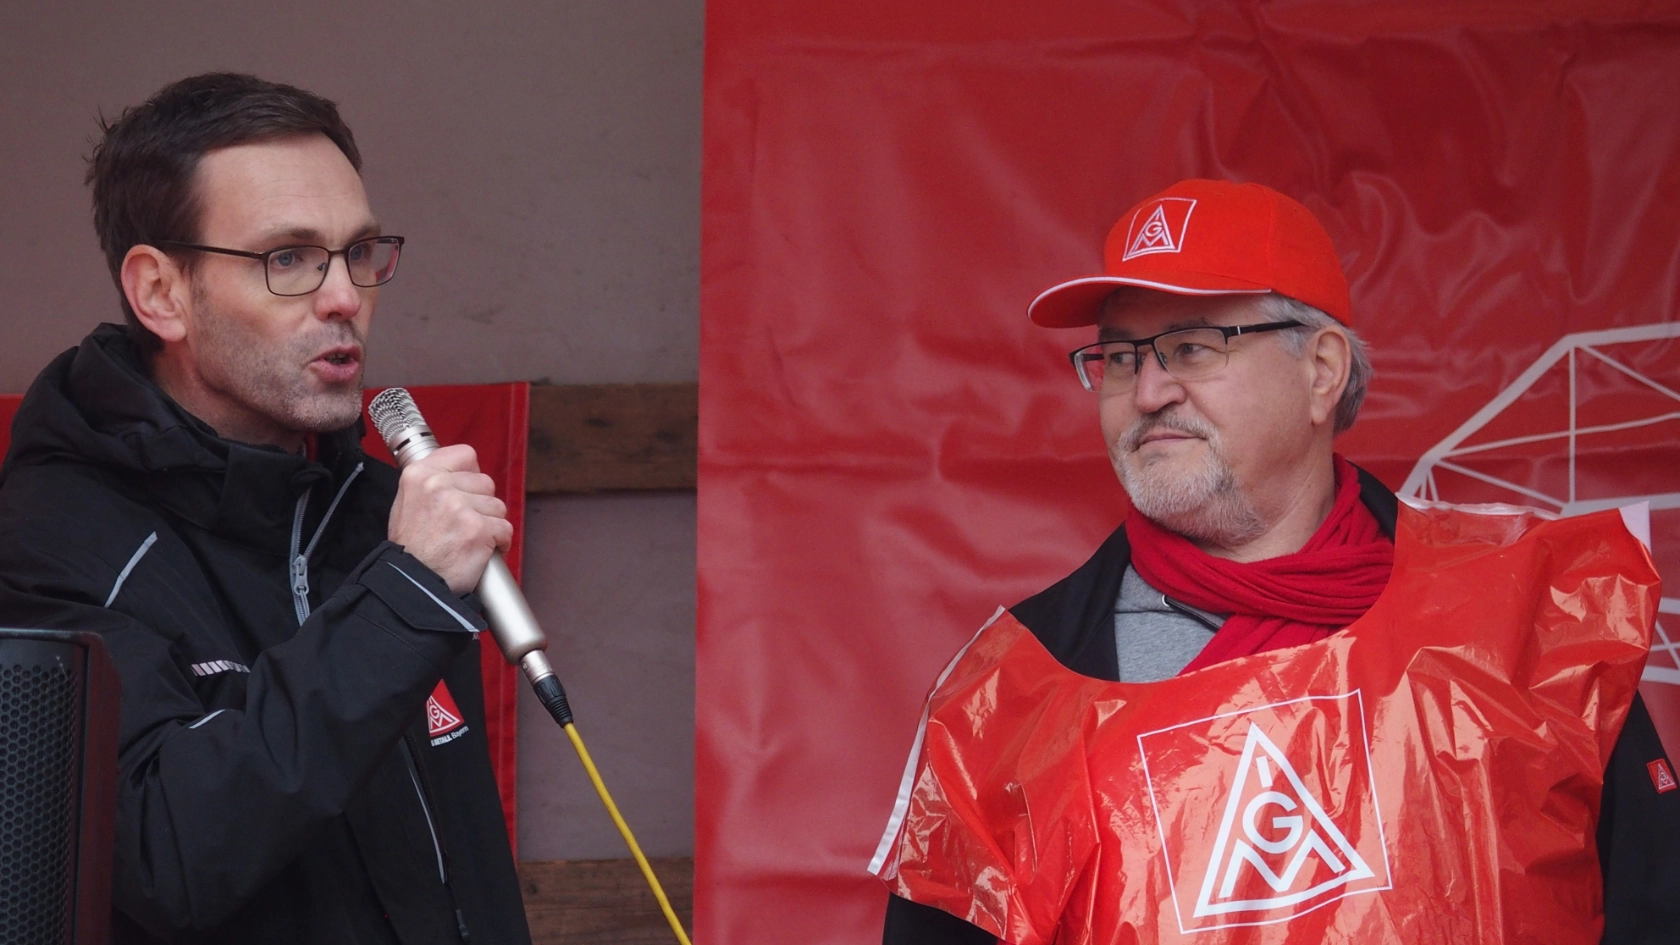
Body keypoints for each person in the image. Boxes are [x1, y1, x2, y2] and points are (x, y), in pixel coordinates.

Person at [879, 179, 1679, 943]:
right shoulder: (1008, 698)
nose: (1149, 389)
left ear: (1321, 370)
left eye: (1190, 346)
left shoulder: (1530, 613)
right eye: (1121, 358)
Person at [0, 74, 531, 944]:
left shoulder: (378, 512)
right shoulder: (55, 538)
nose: (343, 298)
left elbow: (461, 868)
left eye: (359, 252)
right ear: (159, 293)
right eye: (288, 258)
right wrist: (397, 604)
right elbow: (165, 854)